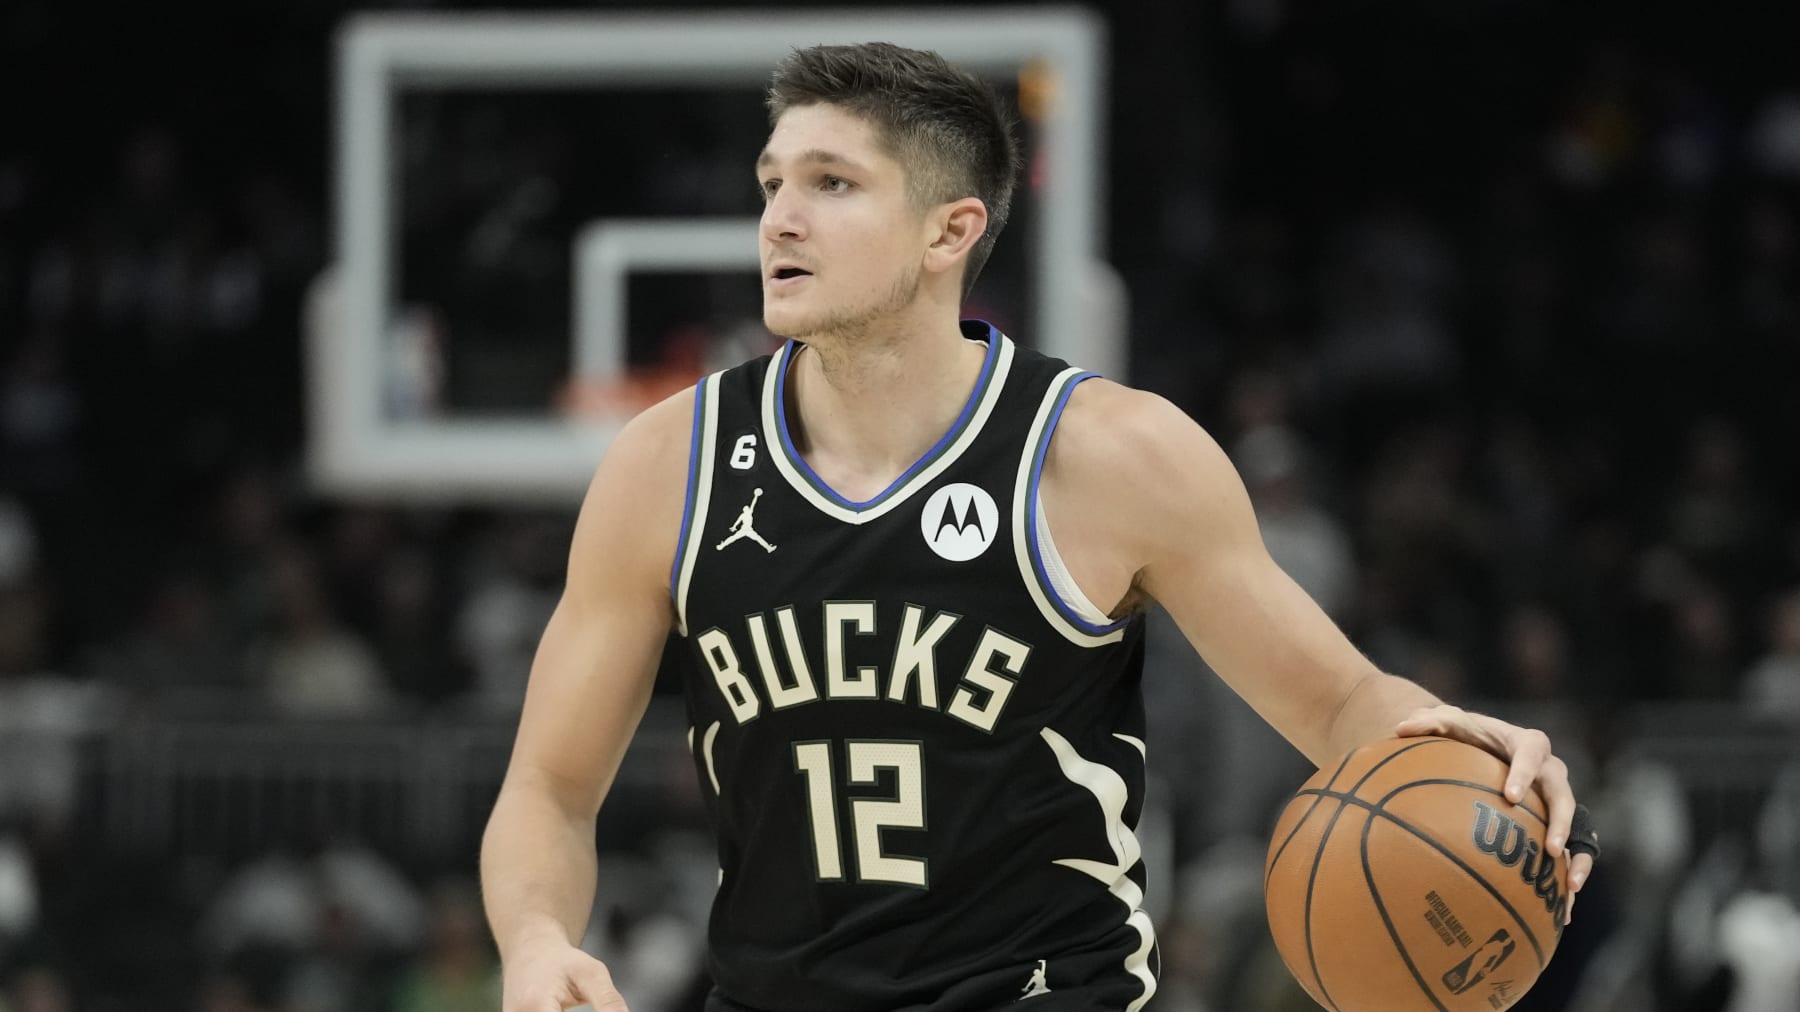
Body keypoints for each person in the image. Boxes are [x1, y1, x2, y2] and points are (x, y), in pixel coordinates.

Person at [480, 42, 1599, 1012]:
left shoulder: (1111, 457)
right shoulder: (666, 468)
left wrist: (1464, 747)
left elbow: (1344, 702)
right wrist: (536, 938)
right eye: (772, 180)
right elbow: (549, 789)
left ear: (948, 230)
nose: (780, 215)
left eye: (832, 182)